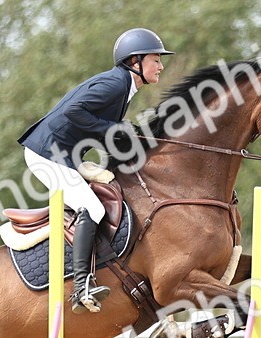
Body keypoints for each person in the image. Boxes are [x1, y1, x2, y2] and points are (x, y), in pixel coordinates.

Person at [18, 28, 173, 313]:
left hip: (62, 153)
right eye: (156, 59)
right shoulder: (115, 84)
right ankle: (81, 286)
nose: (161, 66)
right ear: (135, 61)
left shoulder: (123, 86)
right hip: (47, 153)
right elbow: (72, 113)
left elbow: (93, 125)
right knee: (93, 208)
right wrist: (116, 129)